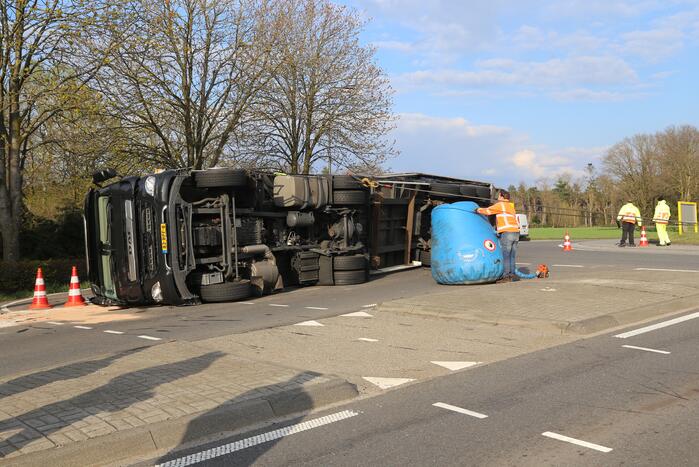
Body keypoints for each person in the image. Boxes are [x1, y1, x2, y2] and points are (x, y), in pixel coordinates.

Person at [477, 191, 520, 282]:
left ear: (501, 196)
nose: (497, 197)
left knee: (506, 256)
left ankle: (506, 276)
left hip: (507, 232)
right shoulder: (510, 206)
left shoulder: (501, 205)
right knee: (512, 255)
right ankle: (513, 275)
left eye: (498, 195)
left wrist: (477, 209)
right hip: (516, 232)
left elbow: (487, 211)